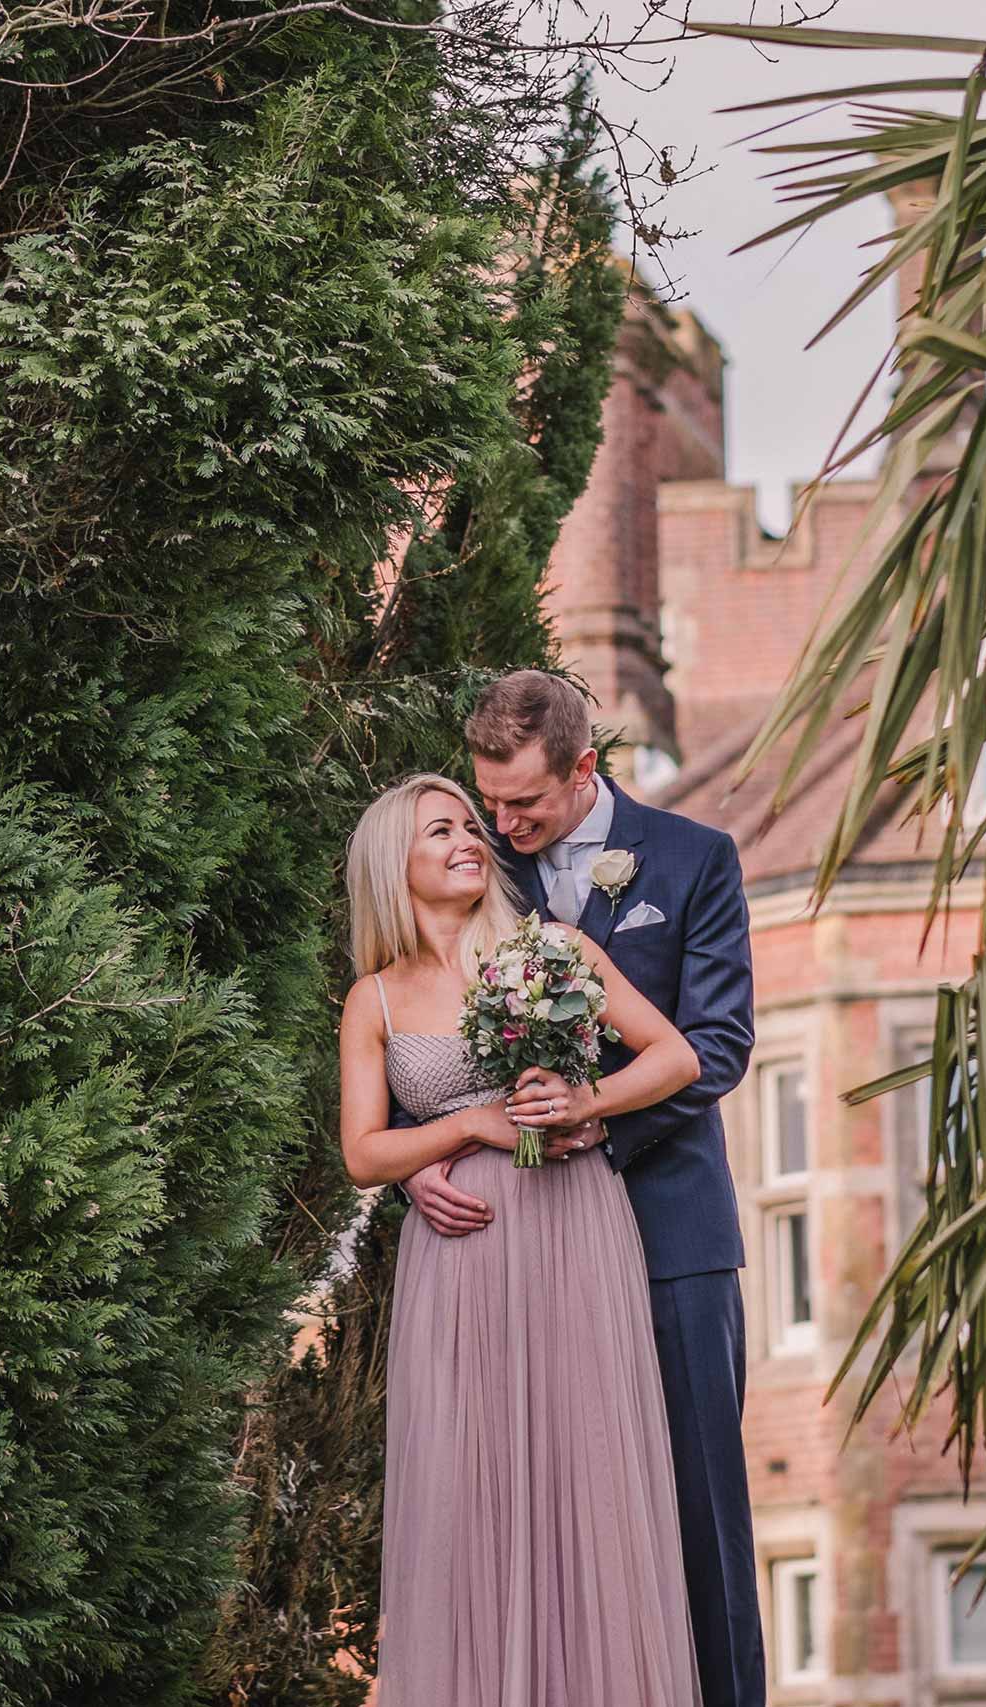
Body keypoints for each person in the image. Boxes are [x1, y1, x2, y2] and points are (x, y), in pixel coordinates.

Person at [403, 669, 766, 1707]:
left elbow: (719, 1046)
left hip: (668, 1233)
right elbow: (423, 1048)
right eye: (489, 800)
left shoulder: (694, 861)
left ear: (585, 770)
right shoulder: (480, 874)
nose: (501, 824)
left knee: (696, 1508)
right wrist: (419, 1169)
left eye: (523, 802)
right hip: (519, 1249)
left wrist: (592, 1115)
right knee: (543, 1515)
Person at [340, 773, 705, 1705]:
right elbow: (363, 1152)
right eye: (442, 829)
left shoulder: (551, 947)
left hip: (572, 1231)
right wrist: (463, 1130)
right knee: (467, 1499)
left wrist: (591, 1100)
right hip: (458, 1266)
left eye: (472, 823)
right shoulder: (373, 999)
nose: (470, 837)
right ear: (396, 863)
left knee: (587, 1479)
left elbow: (675, 1055)